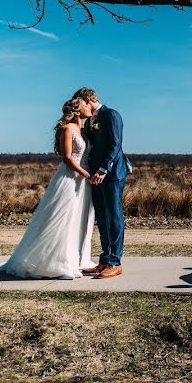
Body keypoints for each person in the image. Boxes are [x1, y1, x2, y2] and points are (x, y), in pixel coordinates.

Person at [0, 98, 96, 279]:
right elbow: (68, 158)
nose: (88, 106)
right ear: (76, 111)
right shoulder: (68, 130)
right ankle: (56, 263)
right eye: (84, 105)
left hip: (81, 181)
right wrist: (87, 174)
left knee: (77, 220)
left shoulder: (83, 131)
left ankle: (73, 259)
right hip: (69, 179)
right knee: (62, 219)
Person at [73, 87, 132, 279]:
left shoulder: (111, 115)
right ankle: (105, 260)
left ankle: (115, 262)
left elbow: (115, 144)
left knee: (114, 216)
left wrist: (103, 169)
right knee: (102, 217)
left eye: (79, 103)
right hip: (94, 176)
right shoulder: (89, 120)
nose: (78, 107)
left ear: (87, 100)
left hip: (112, 173)